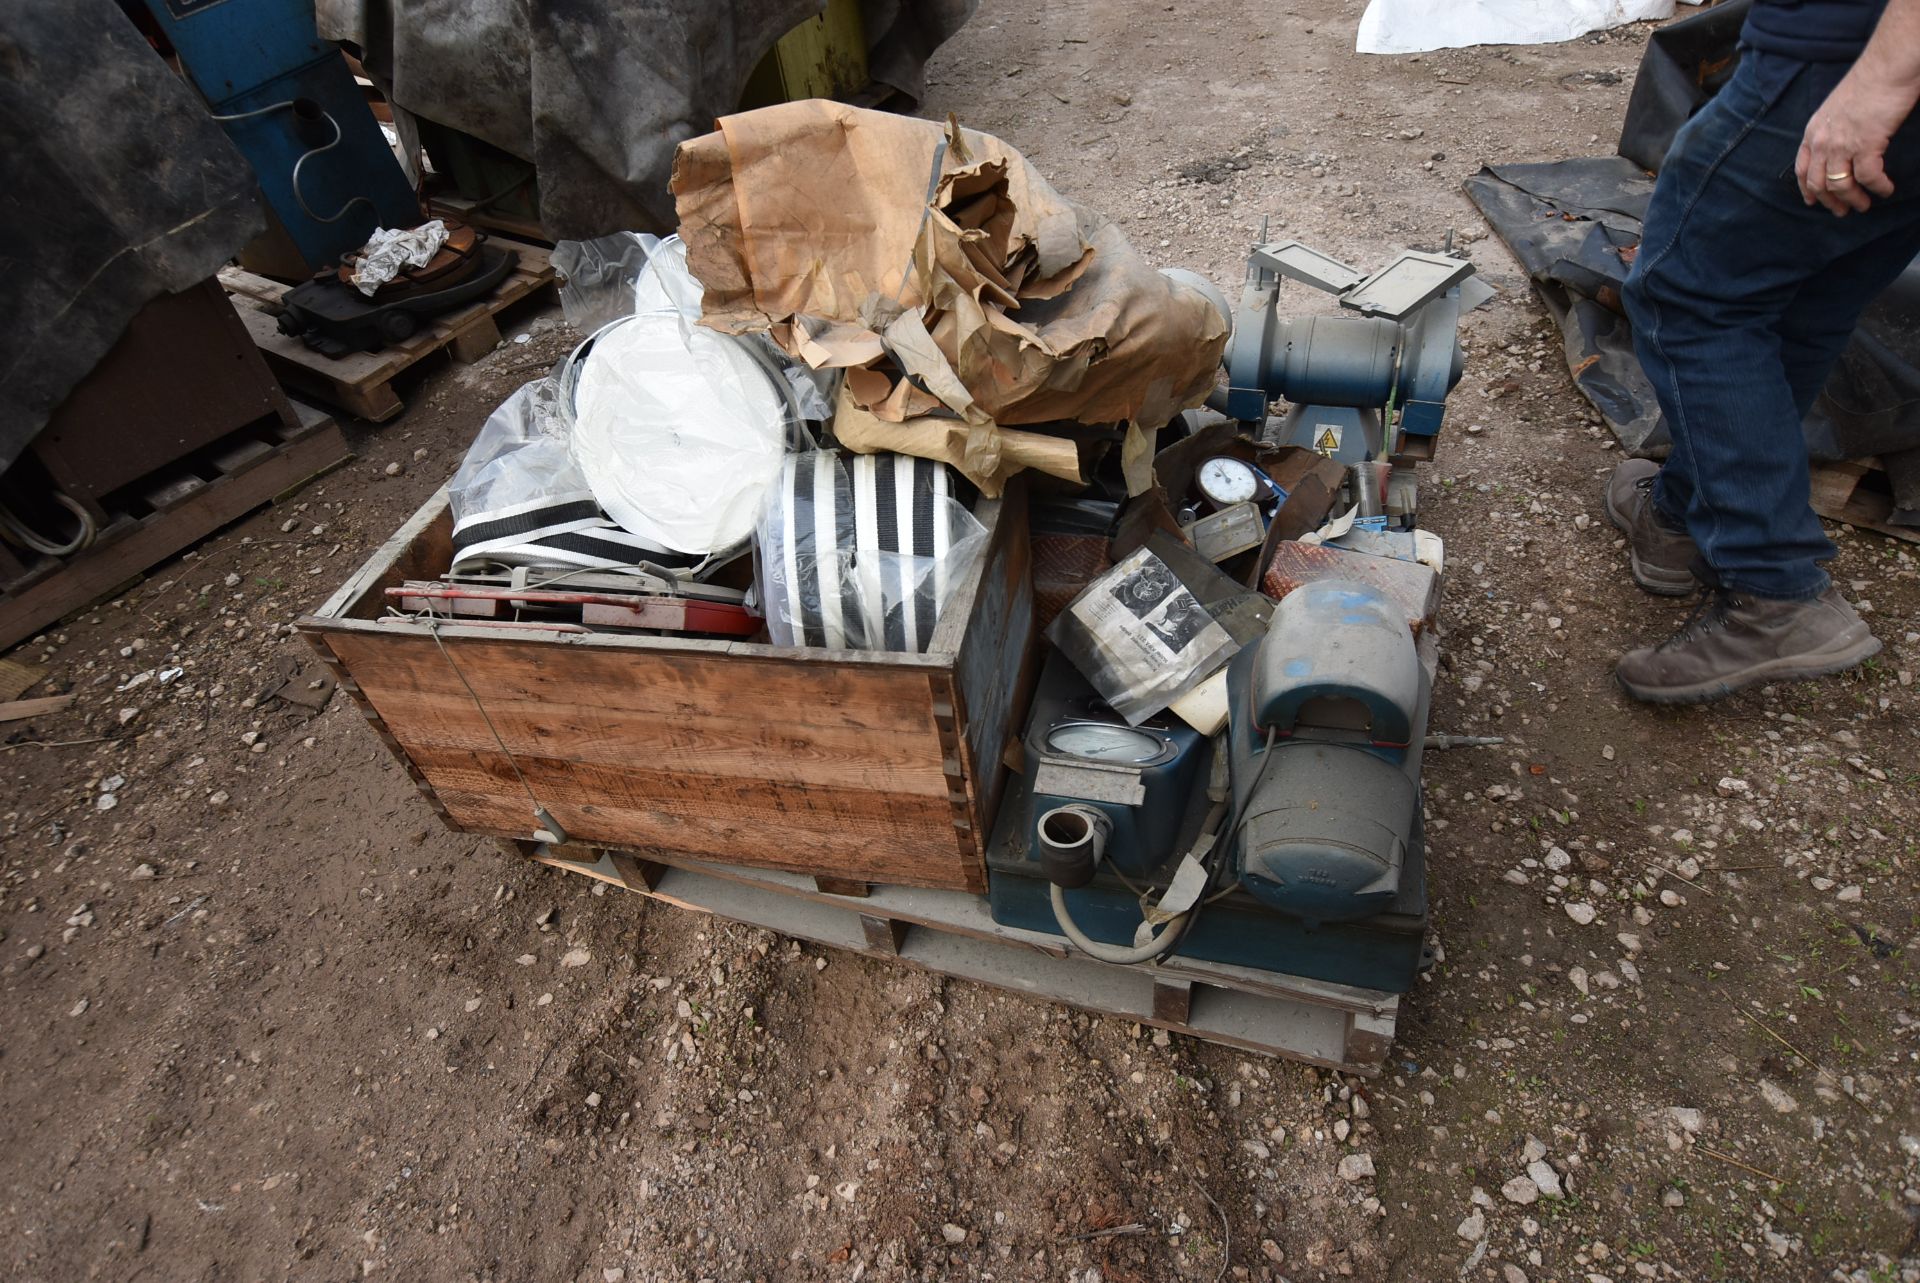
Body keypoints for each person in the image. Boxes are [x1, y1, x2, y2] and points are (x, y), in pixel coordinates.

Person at [1606, 0, 1919, 703]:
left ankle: (1775, 587)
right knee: (1809, 296)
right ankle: (1681, 519)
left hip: (1847, 59)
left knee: (1685, 294)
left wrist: (1881, 83)